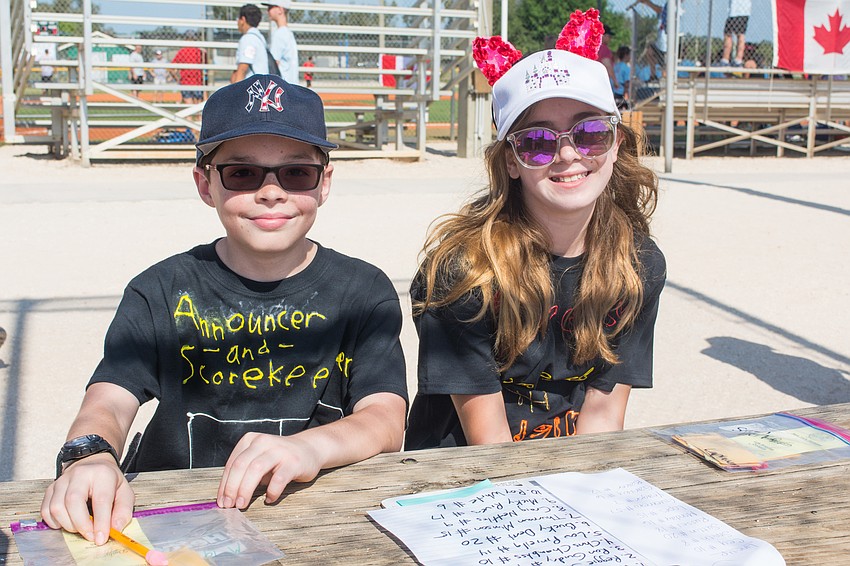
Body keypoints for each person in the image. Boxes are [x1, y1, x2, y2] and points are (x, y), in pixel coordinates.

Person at [40, 74, 408, 546]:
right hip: (173, 518)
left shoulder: (364, 290)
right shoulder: (161, 288)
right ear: (204, 183)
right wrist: (89, 455)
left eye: (297, 173)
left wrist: (311, 447)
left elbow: (384, 418)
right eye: (242, 173)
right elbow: (109, 399)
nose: (271, 192)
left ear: (324, 183)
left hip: (311, 514)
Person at [404, 10, 666, 450]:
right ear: (510, 160)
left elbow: (602, 417)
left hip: (564, 471)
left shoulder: (638, 264)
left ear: (617, 144)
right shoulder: (463, 271)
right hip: (464, 479)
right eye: (538, 142)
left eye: (590, 133)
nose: (567, 154)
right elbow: (489, 444)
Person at [232, 3, 270, 83]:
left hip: (252, 89)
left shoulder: (248, 39)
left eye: (238, 19)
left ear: (243, 20)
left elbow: (243, 68)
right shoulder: (260, 38)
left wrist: (234, 93)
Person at [263, 1, 299, 84]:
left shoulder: (279, 34)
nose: (268, 11)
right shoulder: (288, 33)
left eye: (271, 7)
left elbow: (273, 65)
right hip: (291, 85)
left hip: (282, 86)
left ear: (280, 9)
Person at [171, 31, 206, 104]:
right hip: (197, 82)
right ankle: (198, 116)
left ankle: (189, 116)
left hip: (185, 82)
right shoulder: (199, 51)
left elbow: (171, 68)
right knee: (198, 108)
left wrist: (177, 78)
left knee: (188, 107)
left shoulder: (182, 52)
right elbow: (205, 64)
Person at [720, 0, 752, 67]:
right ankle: (737, 59)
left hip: (736, 11)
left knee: (729, 34)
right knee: (739, 34)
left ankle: (727, 59)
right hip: (743, 11)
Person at [598, 25, 619, 97]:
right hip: (602, 82)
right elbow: (608, 65)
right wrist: (615, 81)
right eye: (609, 36)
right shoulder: (604, 49)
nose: (610, 39)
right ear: (602, 35)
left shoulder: (592, 48)